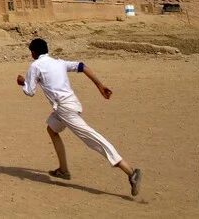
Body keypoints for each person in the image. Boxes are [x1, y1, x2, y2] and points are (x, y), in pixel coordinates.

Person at [17, 38, 142, 196]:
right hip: (69, 105)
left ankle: (130, 171)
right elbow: (82, 66)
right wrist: (100, 85)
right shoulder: (59, 62)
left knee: (93, 139)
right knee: (52, 129)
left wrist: (23, 82)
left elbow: (30, 91)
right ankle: (63, 170)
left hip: (65, 109)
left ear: (33, 53)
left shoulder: (35, 66)